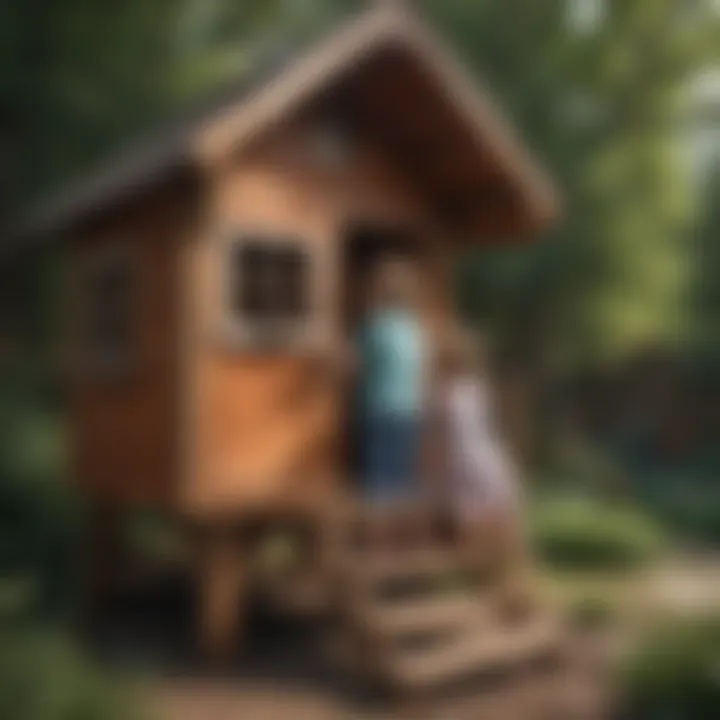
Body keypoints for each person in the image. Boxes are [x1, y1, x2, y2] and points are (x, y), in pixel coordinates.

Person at [431, 324, 525, 574]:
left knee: (477, 526)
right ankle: (502, 578)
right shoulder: (477, 389)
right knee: (500, 524)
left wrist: (434, 471)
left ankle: (489, 574)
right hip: (485, 455)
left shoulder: (446, 393)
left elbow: (443, 437)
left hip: (466, 461)